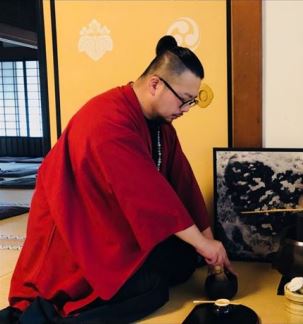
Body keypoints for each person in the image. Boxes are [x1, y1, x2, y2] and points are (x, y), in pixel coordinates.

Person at [0, 35, 233, 323]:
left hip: (114, 229)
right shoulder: (107, 120)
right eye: (184, 100)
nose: (186, 109)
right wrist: (202, 243)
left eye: (191, 102)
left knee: (184, 259)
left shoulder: (161, 126)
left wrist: (211, 251)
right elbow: (149, 195)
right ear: (155, 84)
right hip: (76, 239)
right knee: (154, 290)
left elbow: (183, 186)